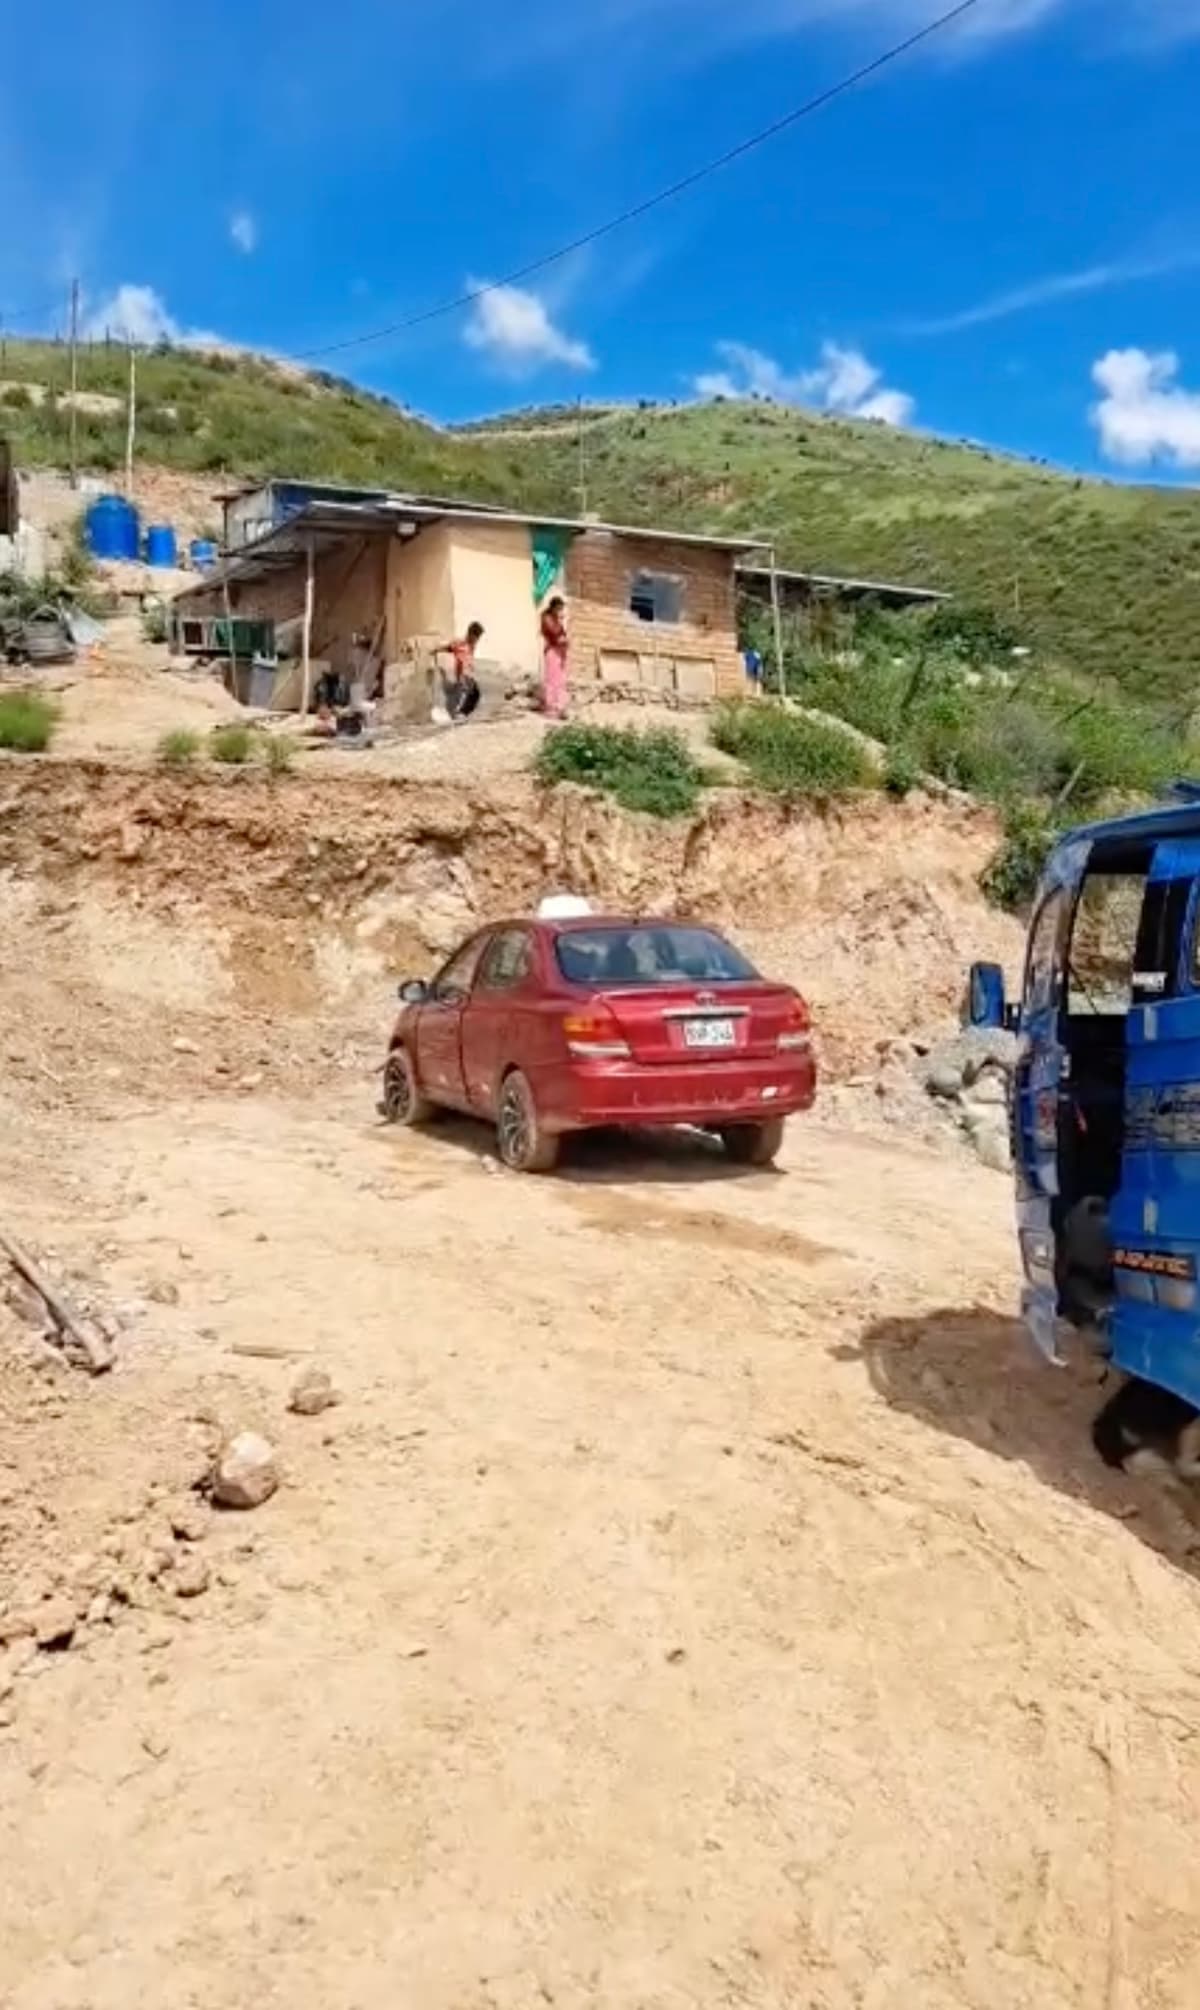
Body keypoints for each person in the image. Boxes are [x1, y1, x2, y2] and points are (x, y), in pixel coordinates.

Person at [436, 622, 483, 724]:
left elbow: (468, 659)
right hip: (462, 674)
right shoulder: (461, 642)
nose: (477, 640)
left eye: (478, 638)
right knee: (470, 693)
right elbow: (449, 647)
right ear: (471, 634)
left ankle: (458, 715)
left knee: (474, 694)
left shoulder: (471, 645)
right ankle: (459, 714)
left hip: (466, 674)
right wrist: (436, 650)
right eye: (476, 637)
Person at [540, 596, 569, 719]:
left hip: (560, 652)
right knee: (552, 680)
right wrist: (561, 622)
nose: (560, 611)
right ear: (553, 607)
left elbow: (563, 635)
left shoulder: (557, 619)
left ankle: (560, 707)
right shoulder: (547, 618)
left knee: (560, 680)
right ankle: (551, 708)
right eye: (559, 608)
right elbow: (554, 633)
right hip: (552, 651)